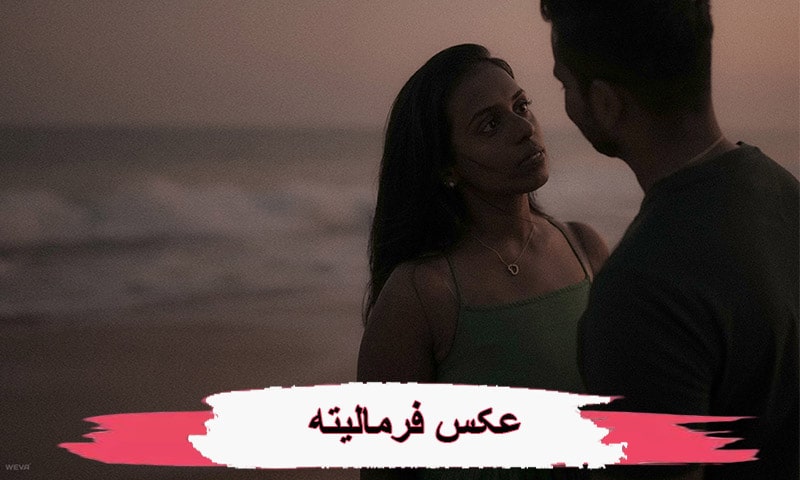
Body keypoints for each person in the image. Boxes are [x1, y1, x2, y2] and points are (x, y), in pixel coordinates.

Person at [540, 1, 799, 479]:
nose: (566, 102)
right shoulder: (783, 192)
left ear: (606, 103)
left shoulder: (641, 290)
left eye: (565, 85)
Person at [357, 44, 609, 479]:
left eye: (521, 106)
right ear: (446, 167)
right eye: (490, 124)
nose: (524, 128)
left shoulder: (585, 249)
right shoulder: (421, 295)